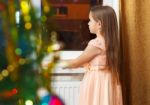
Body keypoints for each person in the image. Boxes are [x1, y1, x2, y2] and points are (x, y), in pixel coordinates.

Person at [60, 5, 123, 105]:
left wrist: (53, 64)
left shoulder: (96, 44)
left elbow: (76, 63)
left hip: (97, 82)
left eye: (90, 20)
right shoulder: (108, 42)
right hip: (107, 80)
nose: (88, 24)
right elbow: (89, 62)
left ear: (99, 24)